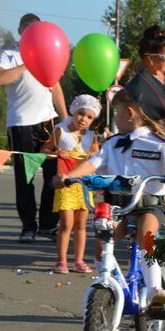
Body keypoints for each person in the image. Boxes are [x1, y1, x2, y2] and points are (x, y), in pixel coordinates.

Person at [55, 75, 165, 319]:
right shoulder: (112, 143)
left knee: (146, 236)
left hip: (148, 205)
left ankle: (154, 292)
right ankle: (109, 283)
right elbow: (93, 163)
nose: (114, 118)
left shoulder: (161, 144)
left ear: (129, 114)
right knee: (101, 244)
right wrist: (69, 176)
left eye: (116, 112)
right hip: (118, 206)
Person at [0, 13, 68, 243]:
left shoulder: (48, 53)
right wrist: (27, 61)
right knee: (24, 179)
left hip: (47, 121)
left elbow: (55, 86)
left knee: (53, 175)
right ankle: (28, 226)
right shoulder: (9, 54)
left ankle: (48, 224)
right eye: (27, 30)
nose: (32, 34)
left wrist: (65, 120)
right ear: (20, 31)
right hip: (20, 123)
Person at [46, 94, 100, 274]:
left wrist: (93, 160)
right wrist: (58, 152)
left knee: (81, 225)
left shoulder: (92, 137)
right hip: (65, 183)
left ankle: (78, 260)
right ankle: (61, 261)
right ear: (74, 111)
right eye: (81, 114)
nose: (84, 119)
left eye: (89, 117)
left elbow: (97, 159)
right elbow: (44, 151)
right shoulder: (61, 130)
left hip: (84, 185)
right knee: (66, 223)